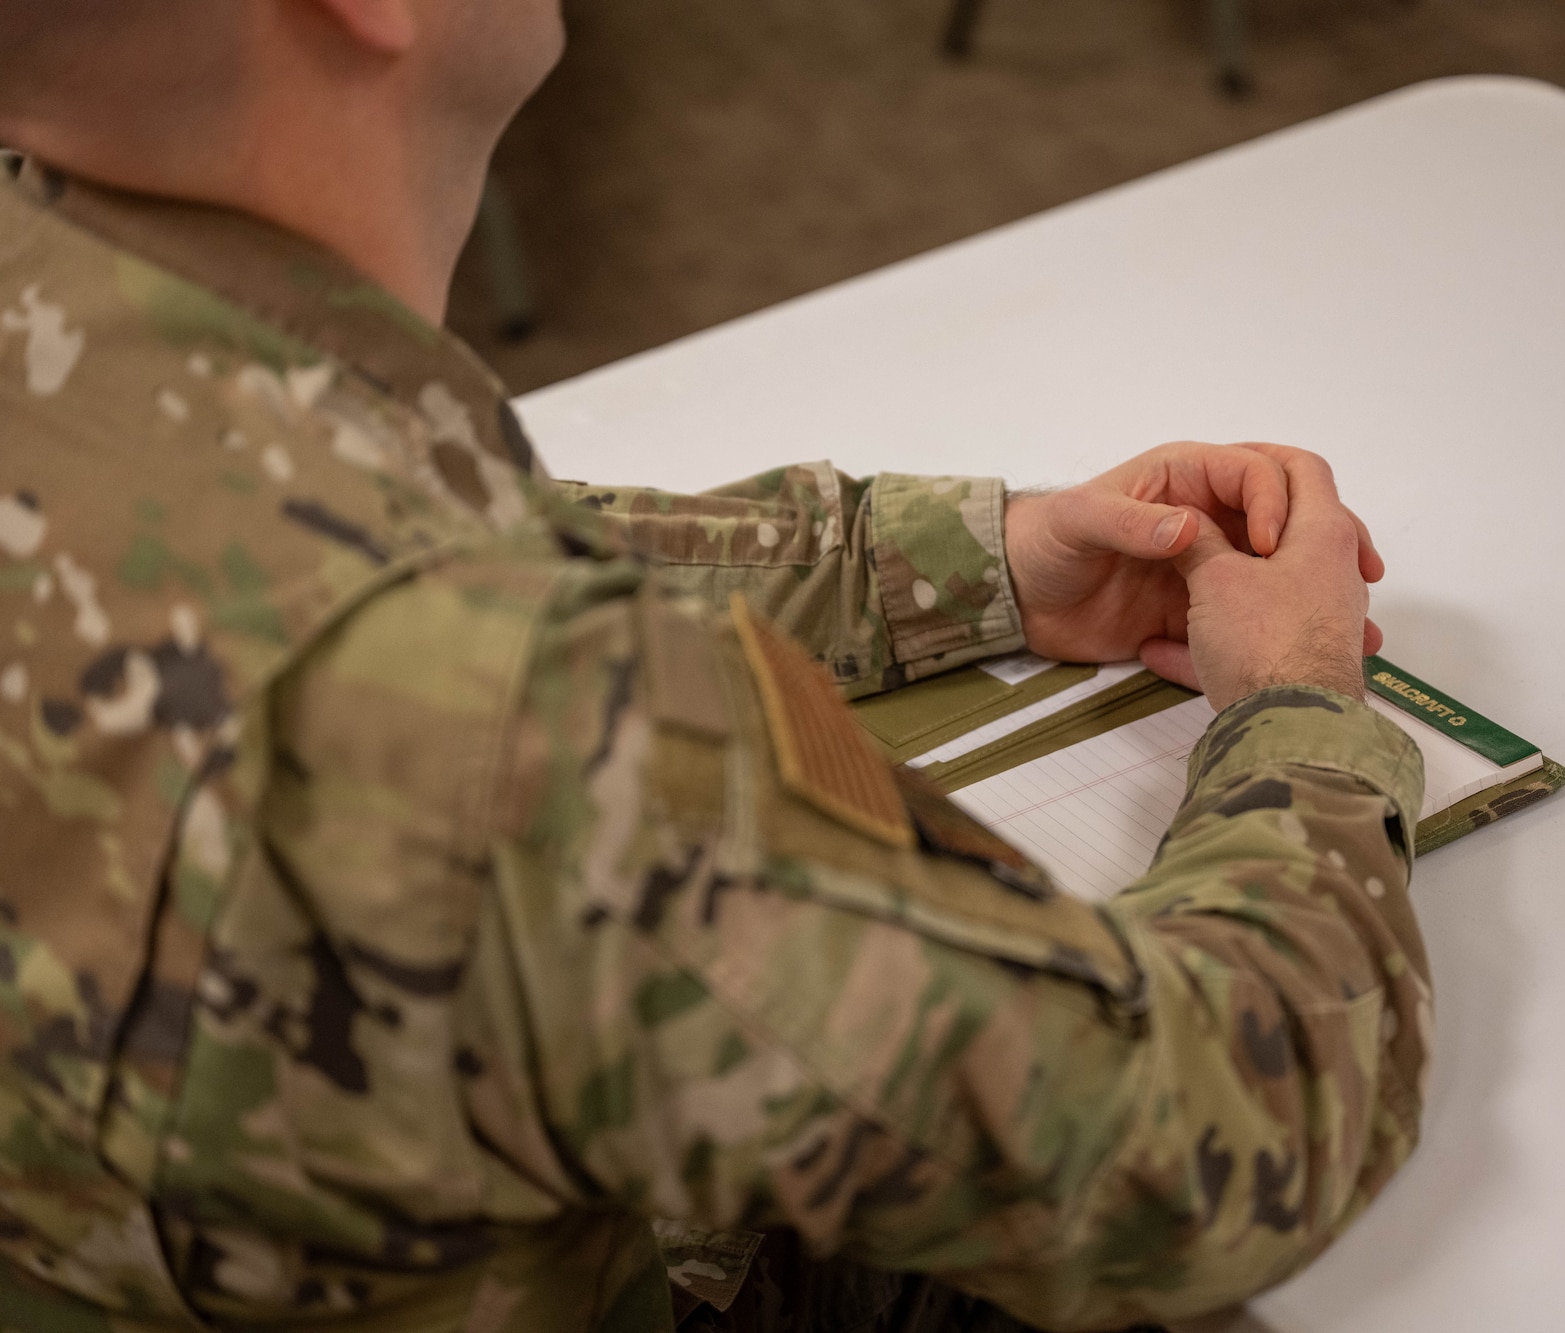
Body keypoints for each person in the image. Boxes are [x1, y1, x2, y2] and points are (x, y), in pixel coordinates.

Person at [0, 2, 1431, 1330]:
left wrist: (968, 562)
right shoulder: (515, 724)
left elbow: (402, 530)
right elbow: (1195, 1147)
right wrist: (1297, 702)